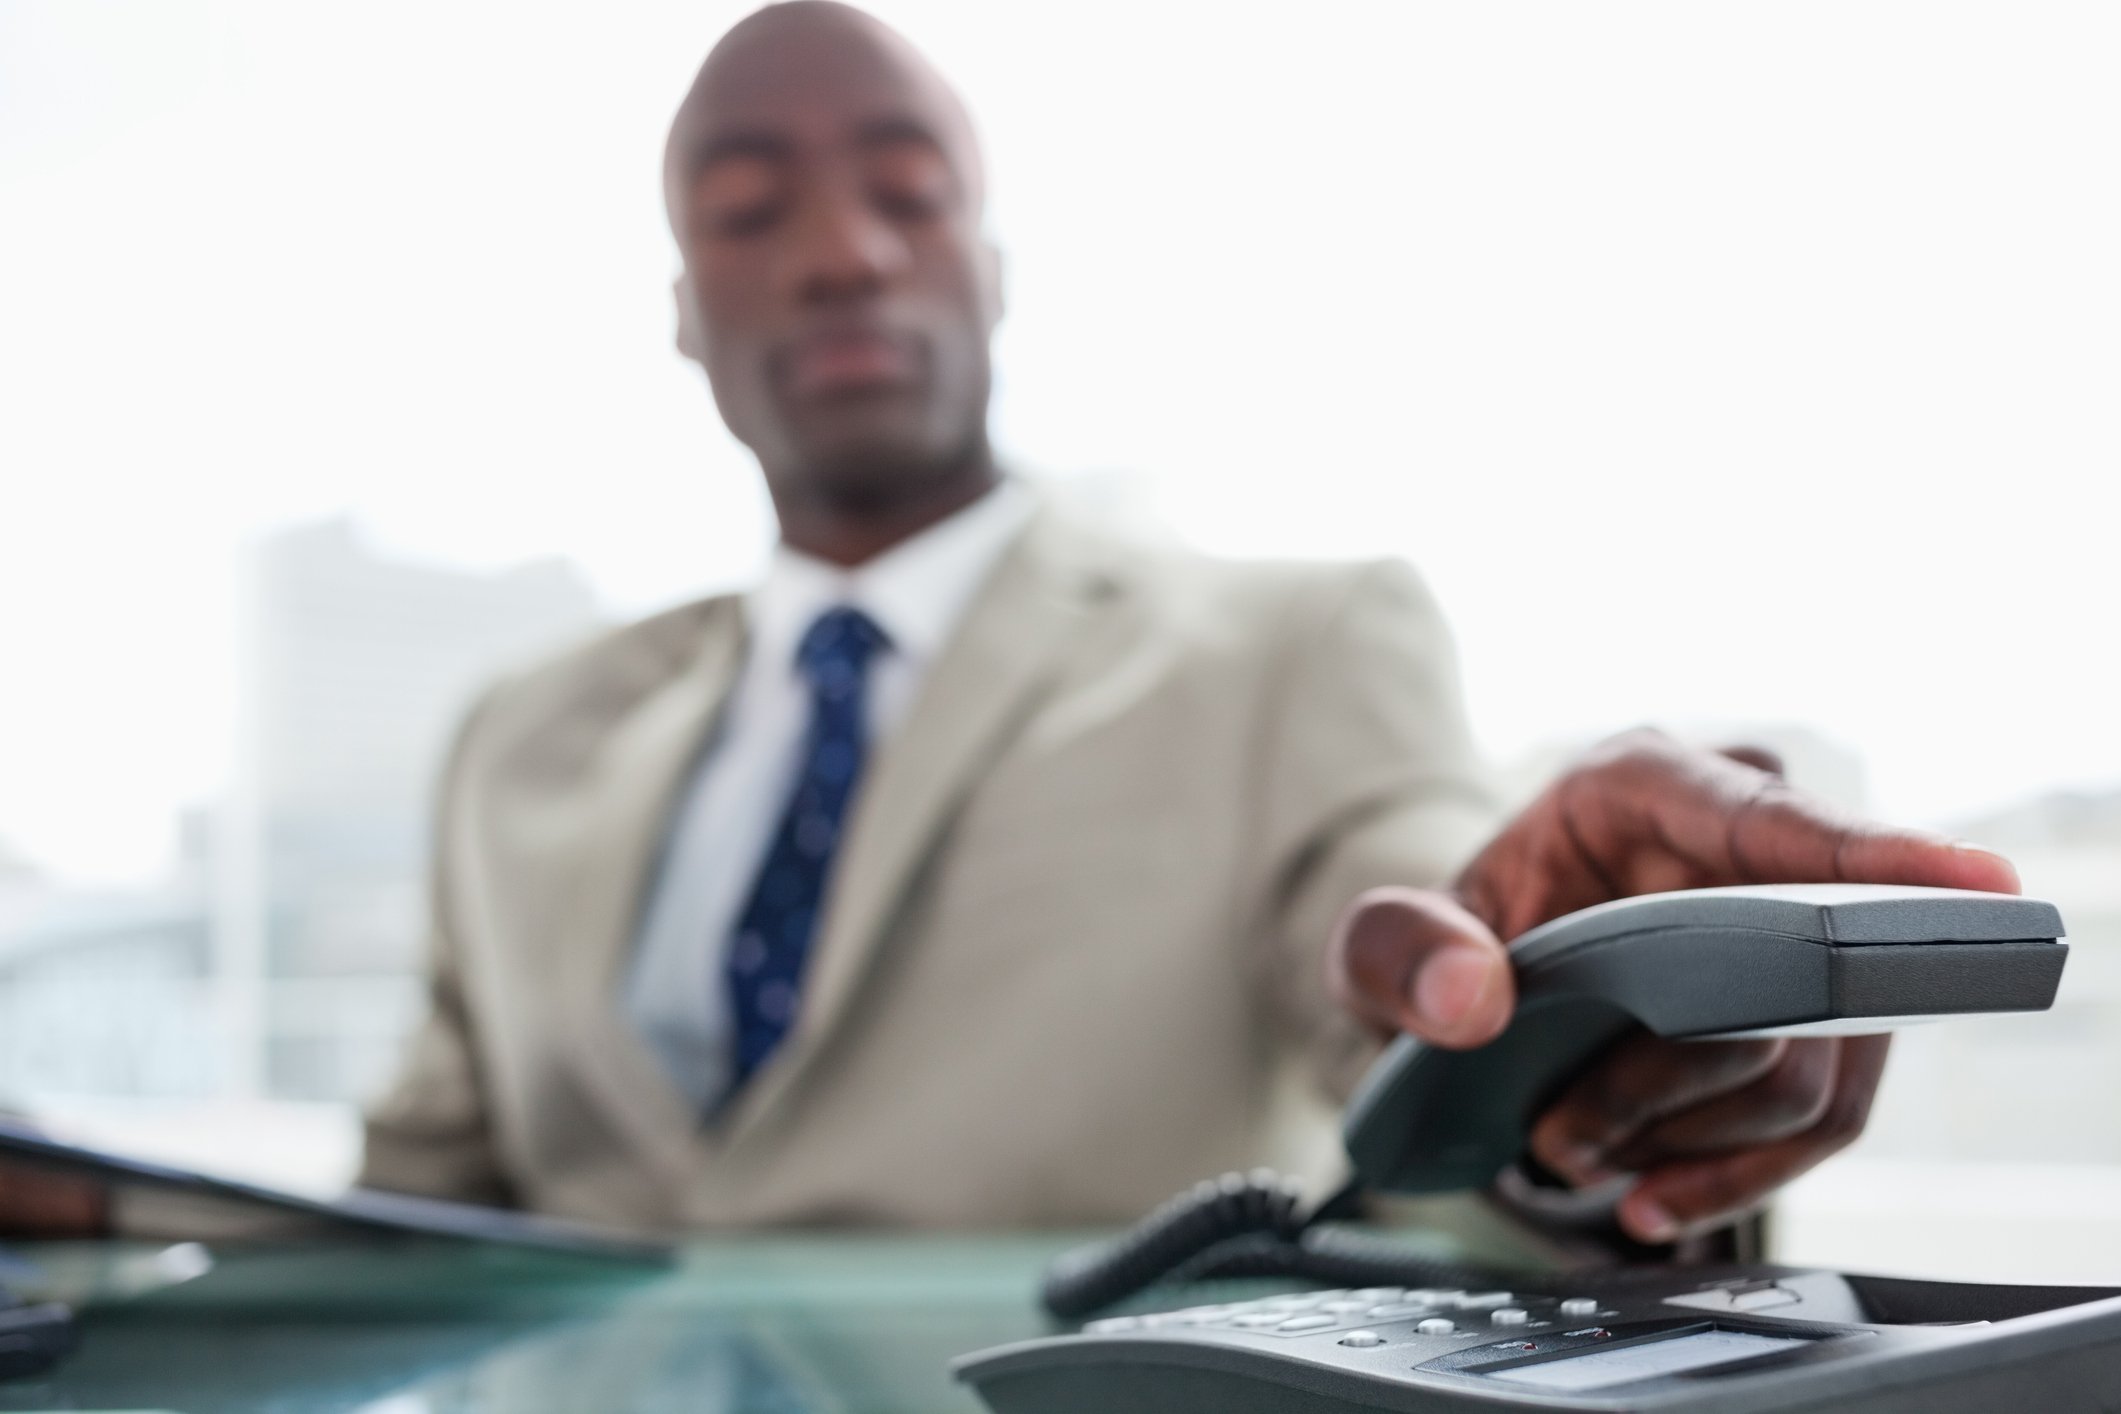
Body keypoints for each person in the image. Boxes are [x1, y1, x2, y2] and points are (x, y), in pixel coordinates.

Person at [0, 1, 2017, 1246]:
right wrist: (83, 1198)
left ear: (993, 262)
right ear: (681, 310)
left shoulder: (1289, 646)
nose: (841, 245)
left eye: (906, 185)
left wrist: (1564, 1019)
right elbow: (421, 1199)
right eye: (746, 203)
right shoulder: (518, 738)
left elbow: (1413, 939)